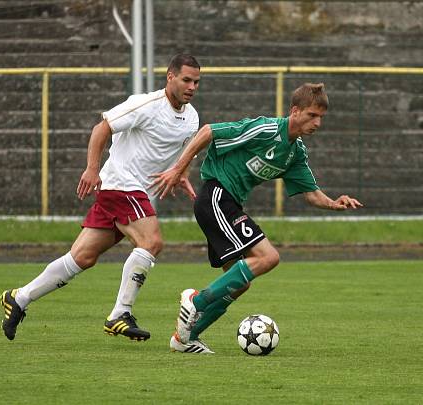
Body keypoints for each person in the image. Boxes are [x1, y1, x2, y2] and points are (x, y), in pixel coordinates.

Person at [0, 54, 202, 342]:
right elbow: (101, 128)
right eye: (186, 79)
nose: (192, 86)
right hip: (121, 184)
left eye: (196, 81)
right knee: (152, 242)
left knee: (81, 257)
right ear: (170, 77)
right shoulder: (145, 104)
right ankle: (120, 313)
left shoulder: (191, 117)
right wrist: (92, 169)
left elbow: (186, 150)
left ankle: (18, 298)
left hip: (128, 191)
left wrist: (181, 173)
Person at [150, 82, 362, 354]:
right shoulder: (266, 129)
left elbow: (310, 193)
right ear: (295, 111)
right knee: (268, 257)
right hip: (216, 196)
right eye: (312, 115)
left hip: (228, 204)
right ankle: (196, 300)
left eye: (321, 117)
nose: (317, 123)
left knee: (240, 283)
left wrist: (335, 204)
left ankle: (185, 338)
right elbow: (208, 131)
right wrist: (180, 169)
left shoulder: (295, 153)